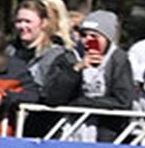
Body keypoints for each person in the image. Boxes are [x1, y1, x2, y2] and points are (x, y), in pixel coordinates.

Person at [45, 9, 136, 139]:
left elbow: (123, 100)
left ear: (107, 38)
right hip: (67, 131)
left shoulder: (118, 60)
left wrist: (81, 103)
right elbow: (53, 97)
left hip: (105, 134)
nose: (88, 41)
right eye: (84, 35)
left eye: (94, 36)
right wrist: (76, 69)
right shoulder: (67, 58)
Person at [11, 0, 74, 111]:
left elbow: (52, 94)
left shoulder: (58, 56)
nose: (22, 26)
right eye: (19, 21)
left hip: (41, 120)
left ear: (43, 23)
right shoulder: (10, 51)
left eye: (28, 21)